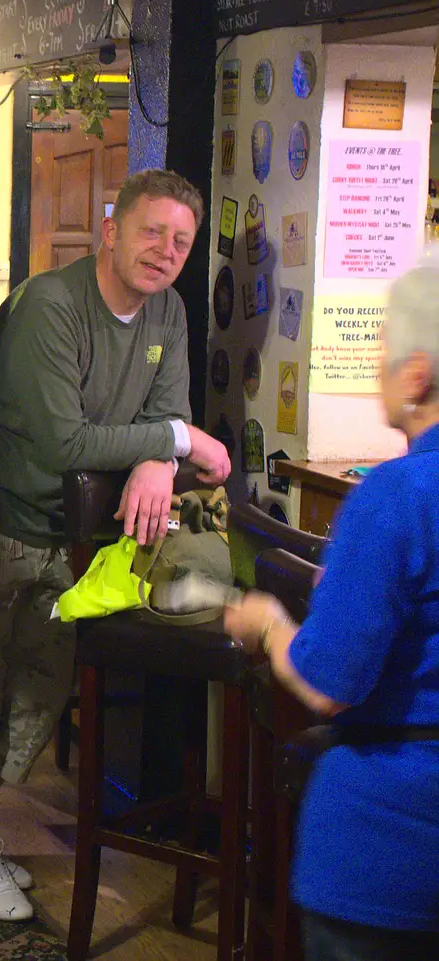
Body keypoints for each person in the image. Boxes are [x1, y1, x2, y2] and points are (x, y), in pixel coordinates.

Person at [0, 168, 230, 921]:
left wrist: (159, 457)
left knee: (35, 701)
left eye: (181, 241)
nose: (165, 251)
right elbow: (65, 441)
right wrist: (177, 440)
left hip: (67, 539)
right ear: (112, 228)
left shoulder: (169, 313)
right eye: (151, 231)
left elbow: (169, 405)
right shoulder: (49, 305)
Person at [224, 264, 439, 961]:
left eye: (381, 346)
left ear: (416, 373)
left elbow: (330, 681)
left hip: (395, 843)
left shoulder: (396, 495)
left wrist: (268, 623)